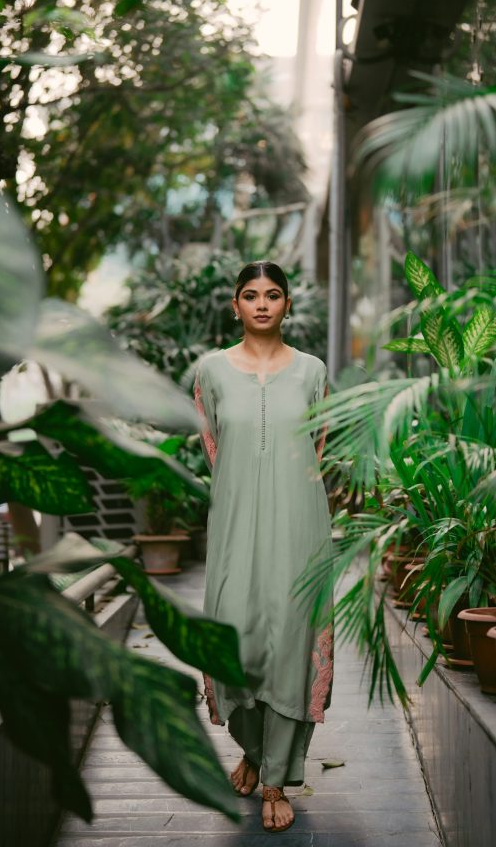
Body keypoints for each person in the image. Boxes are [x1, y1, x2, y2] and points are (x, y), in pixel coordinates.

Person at [194, 260, 333, 833]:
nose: (261, 304)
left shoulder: (313, 372)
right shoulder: (210, 372)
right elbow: (212, 447)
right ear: (235, 305)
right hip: (234, 526)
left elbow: (318, 451)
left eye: (273, 295)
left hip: (299, 527)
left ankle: (275, 776)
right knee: (236, 636)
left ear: (287, 306)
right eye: (250, 295)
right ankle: (252, 748)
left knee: (288, 644)